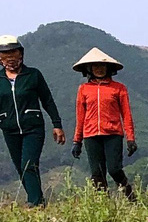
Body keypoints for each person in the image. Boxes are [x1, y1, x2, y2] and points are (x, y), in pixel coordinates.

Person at [0, 35, 66, 207]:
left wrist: (57, 124)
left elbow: (47, 100)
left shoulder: (33, 75)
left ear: (21, 54)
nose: (10, 58)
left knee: (29, 164)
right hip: (9, 129)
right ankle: (39, 201)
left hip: (33, 127)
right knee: (21, 167)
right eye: (5, 54)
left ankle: (34, 203)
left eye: (13, 53)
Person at [69, 47, 137, 201]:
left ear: (108, 68)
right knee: (97, 173)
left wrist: (131, 138)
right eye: (95, 66)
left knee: (114, 169)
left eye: (102, 66)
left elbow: (126, 115)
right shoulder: (84, 89)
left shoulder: (119, 88)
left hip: (113, 134)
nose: (99, 69)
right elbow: (80, 117)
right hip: (91, 135)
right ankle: (104, 206)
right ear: (89, 69)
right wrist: (76, 141)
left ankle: (131, 199)